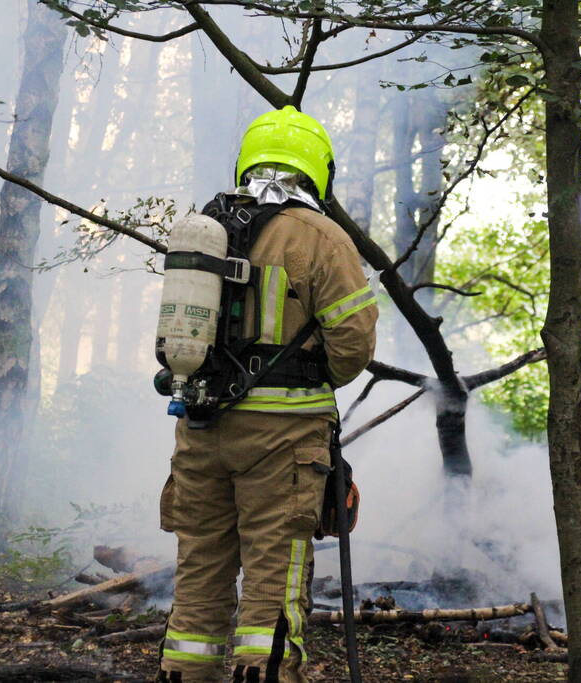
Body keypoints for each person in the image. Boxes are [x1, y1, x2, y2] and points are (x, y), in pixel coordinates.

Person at [157, 105, 378, 683]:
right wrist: (307, 373)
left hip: (200, 428)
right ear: (317, 169)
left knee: (199, 573)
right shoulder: (323, 237)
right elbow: (353, 346)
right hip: (283, 442)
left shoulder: (205, 225)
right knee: (273, 582)